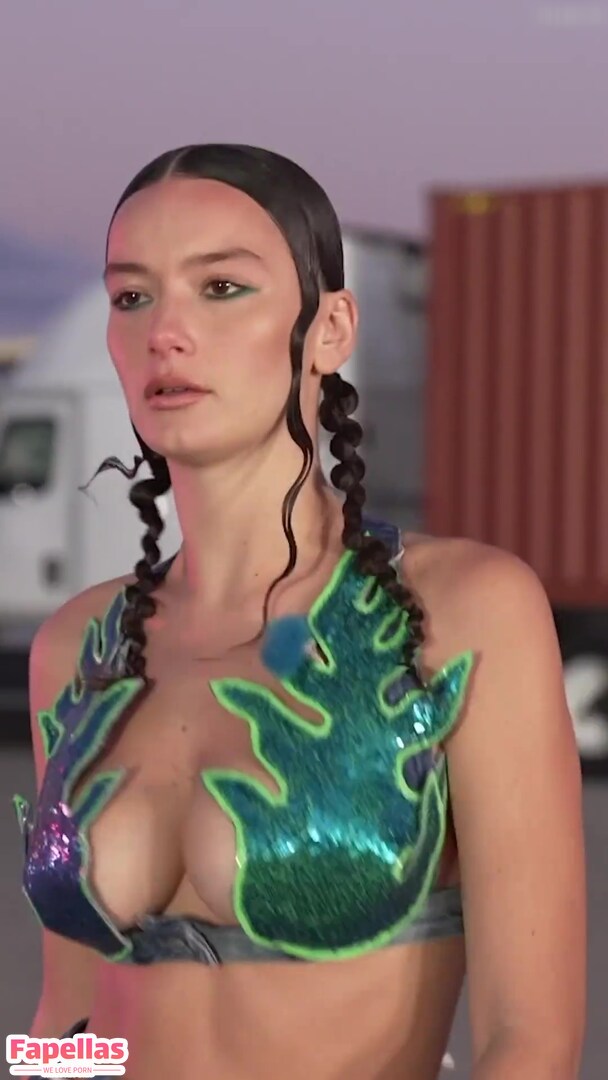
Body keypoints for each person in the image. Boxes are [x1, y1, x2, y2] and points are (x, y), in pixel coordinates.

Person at [15, 145, 585, 1080]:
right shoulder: (79, 648)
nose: (167, 332)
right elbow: (67, 1013)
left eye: (222, 288)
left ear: (330, 328)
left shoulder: (465, 610)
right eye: (133, 296)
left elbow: (530, 1040)